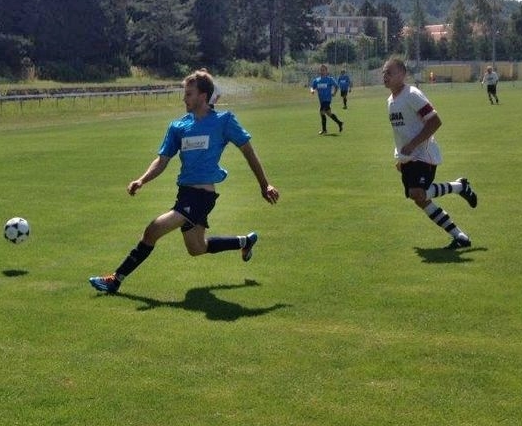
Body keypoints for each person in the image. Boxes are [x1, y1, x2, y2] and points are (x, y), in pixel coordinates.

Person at [89, 70, 280, 294]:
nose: (184, 98)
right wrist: (142, 180)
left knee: (153, 230)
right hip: (185, 194)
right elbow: (162, 160)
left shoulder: (223, 121)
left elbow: (248, 151)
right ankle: (244, 241)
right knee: (197, 248)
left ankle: (115, 280)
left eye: (189, 94)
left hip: (202, 196)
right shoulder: (178, 127)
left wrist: (264, 184)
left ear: (203, 96)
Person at [381, 58, 478, 249]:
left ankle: (459, 187)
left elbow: (435, 121)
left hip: (423, 155)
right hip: (409, 157)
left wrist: (413, 144)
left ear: (402, 75)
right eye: (384, 72)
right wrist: (400, 158)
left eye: (389, 72)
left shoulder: (412, 94)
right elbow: (400, 132)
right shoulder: (391, 101)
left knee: (417, 193)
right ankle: (460, 236)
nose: (385, 76)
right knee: (419, 199)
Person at [309, 64, 344, 134]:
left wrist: (334, 93)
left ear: (326, 71)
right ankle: (339, 123)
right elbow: (312, 87)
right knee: (329, 113)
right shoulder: (316, 80)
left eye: (323, 70)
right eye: (321, 70)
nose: (322, 71)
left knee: (321, 112)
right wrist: (312, 91)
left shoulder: (330, 79)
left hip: (327, 100)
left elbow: (336, 86)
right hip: (321, 100)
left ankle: (324, 130)